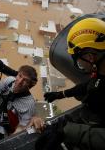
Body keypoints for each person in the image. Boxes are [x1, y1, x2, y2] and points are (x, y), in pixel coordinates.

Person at [35, 17, 105, 150]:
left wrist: (68, 132)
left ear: (90, 57)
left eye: (78, 59)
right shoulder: (100, 74)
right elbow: (89, 85)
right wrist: (61, 94)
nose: (79, 63)